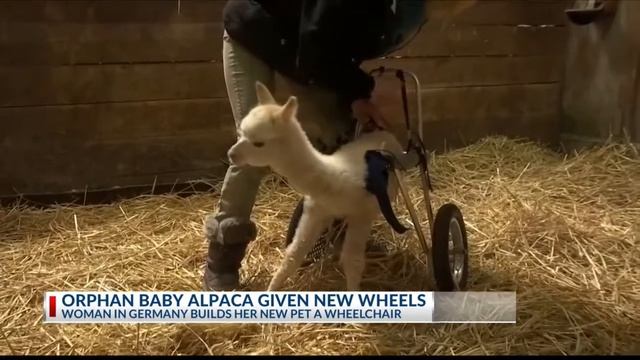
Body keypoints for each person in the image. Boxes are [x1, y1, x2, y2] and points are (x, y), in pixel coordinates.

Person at [203, 0, 431, 291]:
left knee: (338, 132)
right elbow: (317, 46)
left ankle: (334, 228)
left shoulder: (406, 10)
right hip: (253, 32)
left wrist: (355, 95)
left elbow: (339, 48)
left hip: (301, 46)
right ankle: (223, 257)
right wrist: (357, 94)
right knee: (255, 145)